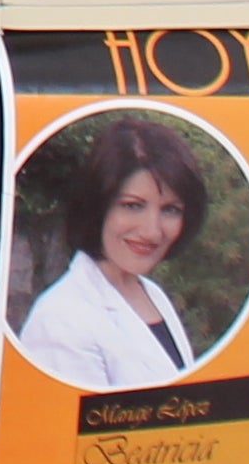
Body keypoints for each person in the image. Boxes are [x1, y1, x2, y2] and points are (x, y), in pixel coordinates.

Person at [14, 114, 213, 388]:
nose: (152, 231)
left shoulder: (152, 294)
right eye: (133, 205)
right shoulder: (60, 321)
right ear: (99, 205)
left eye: (170, 210)